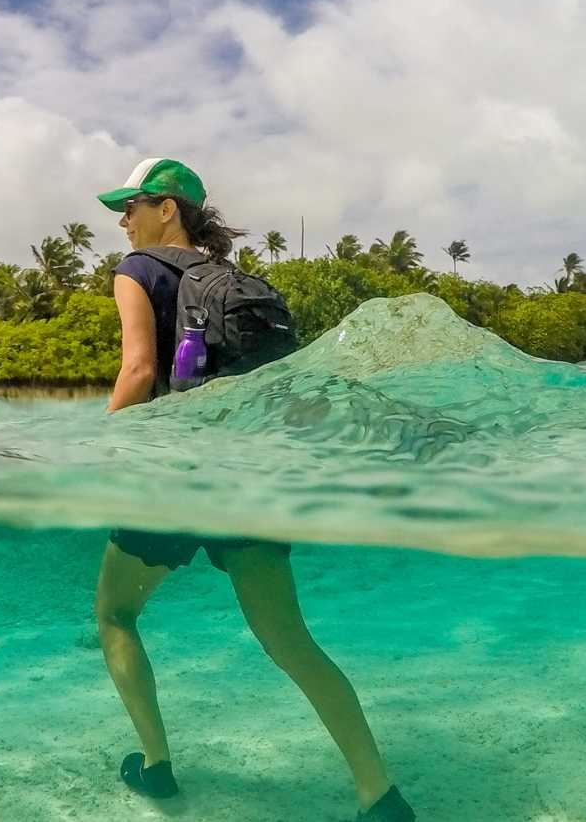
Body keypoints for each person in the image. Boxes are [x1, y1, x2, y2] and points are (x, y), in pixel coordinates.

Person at [93, 158, 416, 822]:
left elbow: (139, 367)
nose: (123, 219)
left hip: (173, 480)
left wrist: (94, 450)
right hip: (246, 476)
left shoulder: (138, 271)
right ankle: (377, 792)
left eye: (133, 205)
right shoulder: (242, 283)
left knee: (115, 615)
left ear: (168, 210)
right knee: (290, 641)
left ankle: (157, 770)